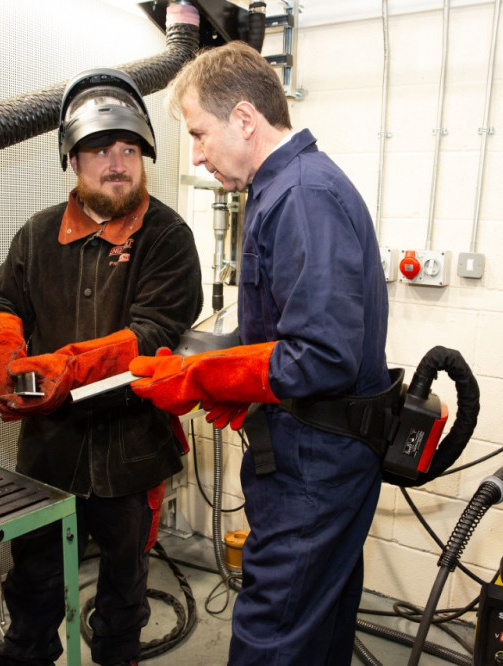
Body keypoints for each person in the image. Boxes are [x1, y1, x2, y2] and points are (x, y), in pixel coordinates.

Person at [129, 41, 391, 665]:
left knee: (273, 634)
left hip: (314, 468)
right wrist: (235, 386)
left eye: (199, 133)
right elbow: (285, 335)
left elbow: (322, 355)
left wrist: (207, 376)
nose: (195, 154)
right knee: (316, 630)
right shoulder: (284, 189)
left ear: (244, 119)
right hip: (309, 453)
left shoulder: (302, 194)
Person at [0, 67, 203, 666]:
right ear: (72, 158)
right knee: (34, 587)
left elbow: (153, 332)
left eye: (129, 149)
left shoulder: (167, 236)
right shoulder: (39, 234)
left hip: (130, 452)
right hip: (48, 453)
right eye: (100, 149)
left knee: (123, 596)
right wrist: (0, 349)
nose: (117, 163)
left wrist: (65, 372)